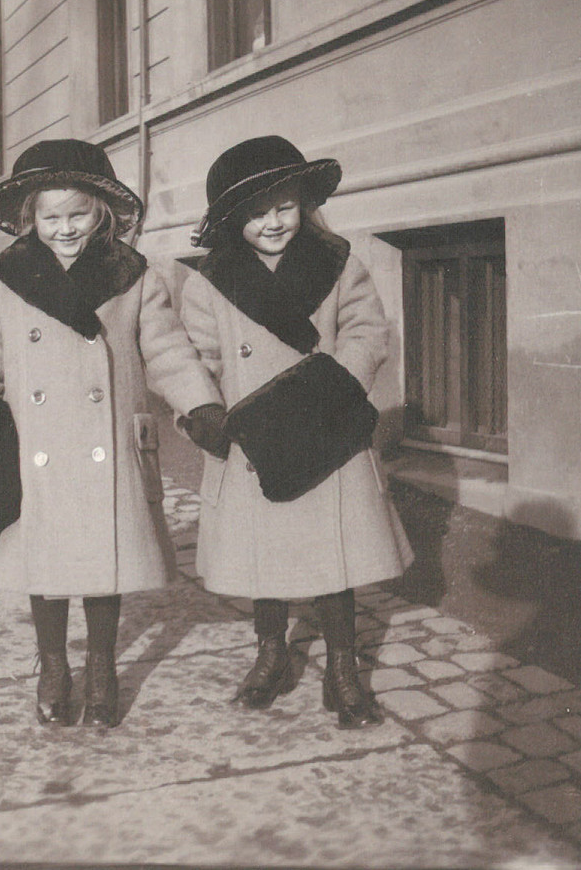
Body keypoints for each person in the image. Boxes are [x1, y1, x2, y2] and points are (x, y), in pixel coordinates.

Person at [0, 138, 226, 728]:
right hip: (34, 448)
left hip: (111, 447)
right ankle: (54, 664)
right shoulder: (2, 284)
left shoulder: (131, 277)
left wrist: (201, 406)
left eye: (78, 214)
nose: (65, 229)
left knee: (107, 562)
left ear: (101, 212)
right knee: (45, 567)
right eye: (50, 217)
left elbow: (168, 351)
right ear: (30, 218)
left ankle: (101, 663)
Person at [179, 135, 413, 729]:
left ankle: (342, 669)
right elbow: (195, 357)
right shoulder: (211, 282)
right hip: (255, 437)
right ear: (234, 222)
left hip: (325, 428)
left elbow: (367, 330)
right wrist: (207, 414)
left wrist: (336, 384)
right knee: (266, 560)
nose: (274, 222)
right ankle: (271, 652)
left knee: (333, 559)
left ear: (303, 204)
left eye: (284, 206)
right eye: (257, 214)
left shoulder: (337, 263)